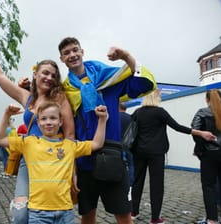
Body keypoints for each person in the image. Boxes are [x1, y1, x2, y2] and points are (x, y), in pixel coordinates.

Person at [0, 32, 75, 224]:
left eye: (53, 75)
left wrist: (73, 172)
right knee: (21, 214)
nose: (49, 78)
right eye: (45, 73)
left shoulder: (60, 99)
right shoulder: (27, 97)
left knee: (53, 212)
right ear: (35, 74)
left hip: (55, 163)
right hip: (29, 161)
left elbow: (70, 135)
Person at [57, 36, 157, 224]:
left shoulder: (108, 79)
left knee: (124, 215)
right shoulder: (65, 92)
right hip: (84, 160)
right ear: (62, 59)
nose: (72, 55)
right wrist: (72, 170)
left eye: (75, 50)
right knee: (87, 215)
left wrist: (126, 56)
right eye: (66, 53)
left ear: (82, 52)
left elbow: (142, 83)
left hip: (112, 157)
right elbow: (63, 130)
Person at [0, 102, 107, 224]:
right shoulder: (28, 143)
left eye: (53, 118)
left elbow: (97, 144)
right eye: (43, 118)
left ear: (61, 121)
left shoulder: (70, 145)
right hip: (38, 212)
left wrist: (102, 119)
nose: (48, 122)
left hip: (65, 212)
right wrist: (7, 114)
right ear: (38, 122)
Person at [130, 89, 216, 224]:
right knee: (157, 185)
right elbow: (177, 127)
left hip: (139, 152)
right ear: (156, 97)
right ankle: (155, 218)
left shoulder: (137, 112)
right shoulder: (160, 112)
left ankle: (134, 212)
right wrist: (200, 133)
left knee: (137, 181)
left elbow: (131, 129)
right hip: (157, 152)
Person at [191, 89, 221, 224]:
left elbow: (195, 131)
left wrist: (202, 148)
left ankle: (212, 219)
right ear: (220, 97)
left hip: (209, 155)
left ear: (207, 99)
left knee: (208, 186)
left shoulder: (202, 112)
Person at [119, 102, 134, 187]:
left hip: (117, 144)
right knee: (131, 164)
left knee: (119, 163)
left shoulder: (114, 117)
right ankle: (131, 183)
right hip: (129, 144)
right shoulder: (131, 118)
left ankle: (119, 181)